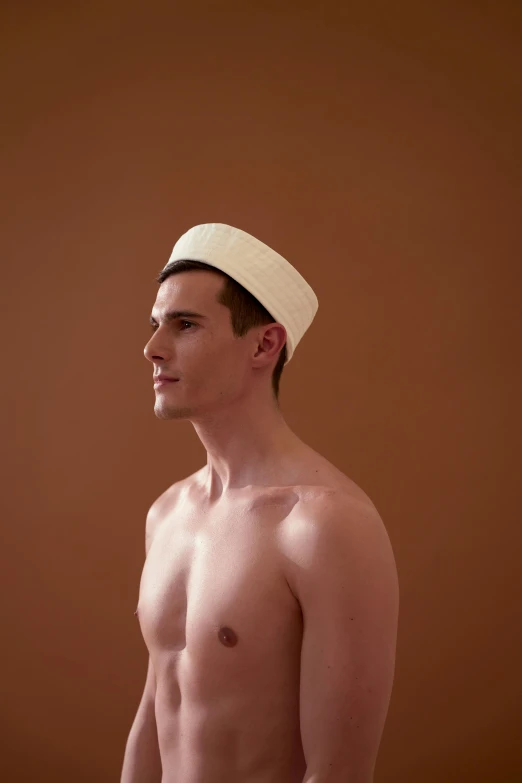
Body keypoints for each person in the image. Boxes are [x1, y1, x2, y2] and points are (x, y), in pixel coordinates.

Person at [120, 223, 399, 783]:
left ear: (264, 344)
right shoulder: (167, 515)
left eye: (186, 325)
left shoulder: (324, 525)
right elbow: (157, 707)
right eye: (156, 325)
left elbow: (338, 773)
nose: (152, 348)